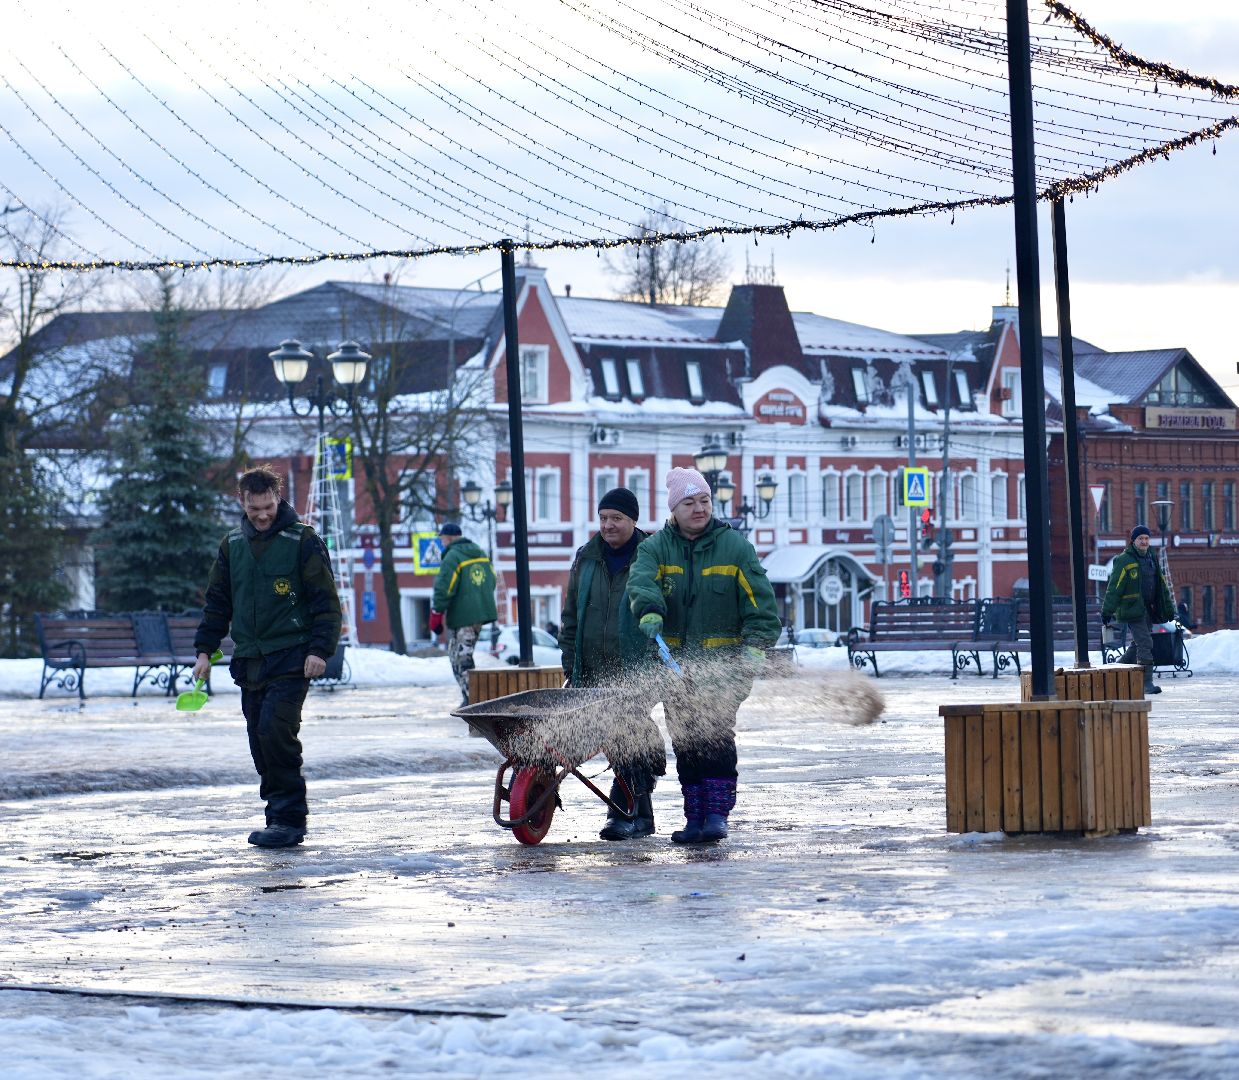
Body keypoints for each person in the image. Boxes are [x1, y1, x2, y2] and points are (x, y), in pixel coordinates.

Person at [627, 467, 780, 844]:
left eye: (705, 500)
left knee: (713, 737)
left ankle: (716, 814)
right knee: (685, 740)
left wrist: (756, 649)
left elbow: (760, 604)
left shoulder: (735, 548)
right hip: (673, 667)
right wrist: (648, 608)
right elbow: (641, 580)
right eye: (689, 502)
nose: (699, 508)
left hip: (725, 668)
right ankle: (694, 816)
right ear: (674, 508)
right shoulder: (655, 548)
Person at [193, 465, 342, 848]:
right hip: (251, 659)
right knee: (260, 741)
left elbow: (325, 601)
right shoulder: (232, 547)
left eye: (268, 506)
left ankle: (289, 821)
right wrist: (204, 651)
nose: (262, 515)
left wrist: (319, 650)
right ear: (242, 501)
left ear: (278, 499)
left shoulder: (302, 540)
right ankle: (277, 813)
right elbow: (217, 603)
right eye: (254, 508)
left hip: (293, 656)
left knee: (277, 732)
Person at [559, 487, 666, 841]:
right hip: (592, 667)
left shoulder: (651, 556)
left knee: (624, 731)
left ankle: (622, 812)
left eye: (616, 518)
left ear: (633, 521)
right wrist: (570, 661)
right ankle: (641, 814)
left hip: (637, 667)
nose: (607, 525)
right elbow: (571, 615)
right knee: (615, 734)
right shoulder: (586, 557)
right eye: (603, 518)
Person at [430, 522, 497, 706]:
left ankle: (474, 701)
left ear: (449, 538)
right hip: (480, 614)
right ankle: (470, 698)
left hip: (462, 616)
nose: (441, 542)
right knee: (459, 655)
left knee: (461, 658)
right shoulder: (480, 553)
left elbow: (444, 587)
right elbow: (492, 580)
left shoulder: (453, 556)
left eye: (442, 538)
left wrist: (436, 613)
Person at [1102, 524, 1174, 696]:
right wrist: (1107, 611)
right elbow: (1115, 587)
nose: (1144, 541)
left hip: (1148, 608)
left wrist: (1167, 606)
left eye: (1146, 538)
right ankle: (1146, 682)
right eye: (1140, 538)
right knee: (1145, 643)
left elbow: (1161, 584)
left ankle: (1117, 668)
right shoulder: (1124, 560)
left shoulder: (1151, 557)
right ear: (1133, 541)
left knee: (1137, 644)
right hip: (1132, 609)